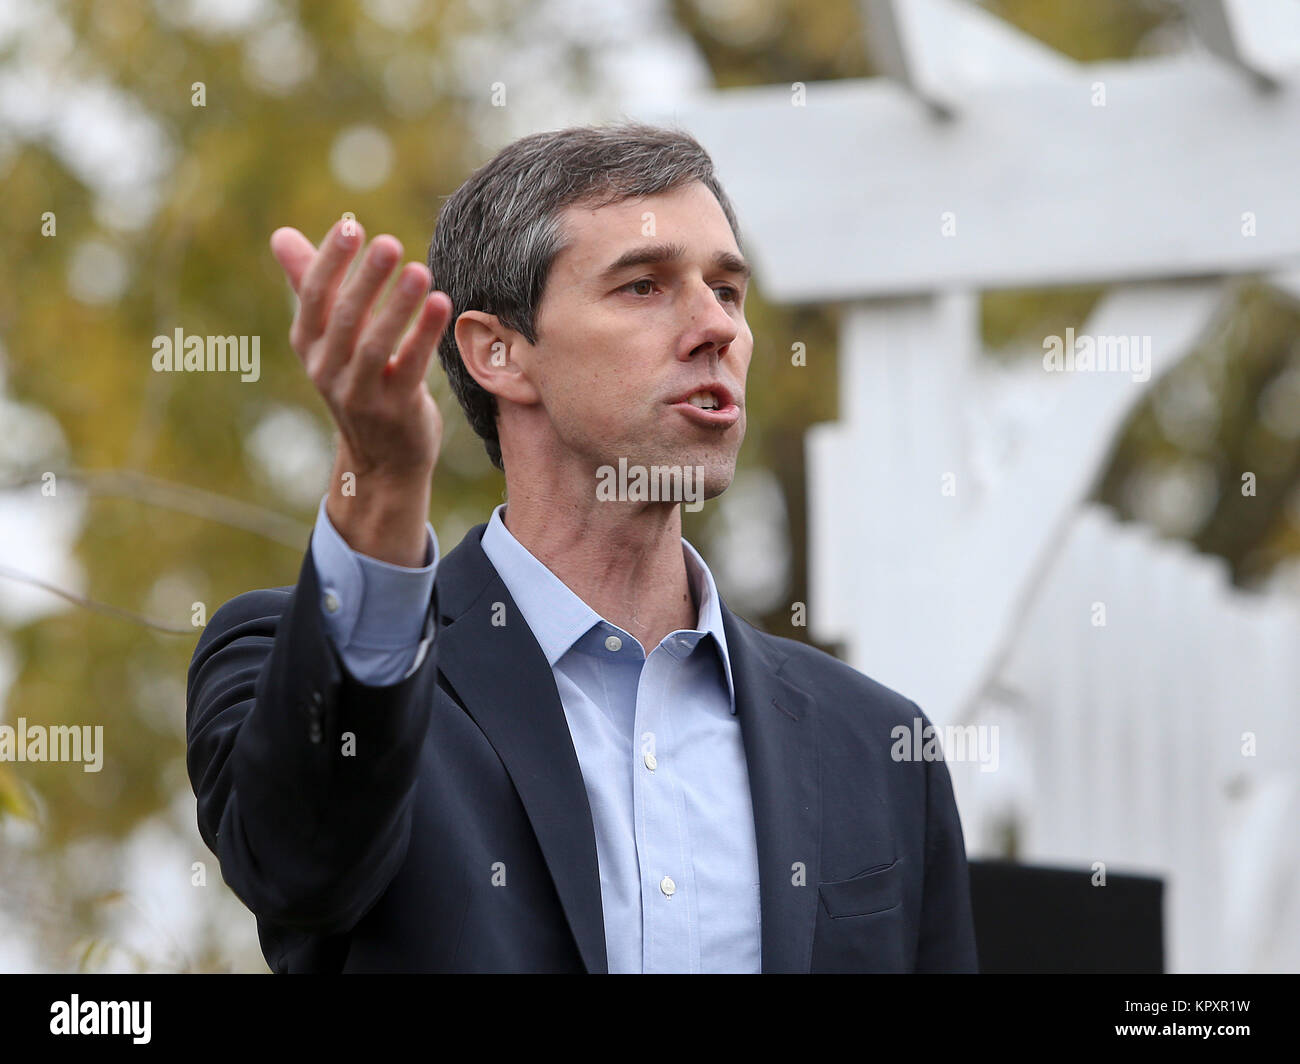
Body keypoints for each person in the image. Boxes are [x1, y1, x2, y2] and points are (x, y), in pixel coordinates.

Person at [186, 122, 978, 973]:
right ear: (499, 353)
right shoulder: (305, 665)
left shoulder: (878, 742)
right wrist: (380, 485)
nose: (716, 327)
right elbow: (301, 869)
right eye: (644, 287)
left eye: (728, 291)